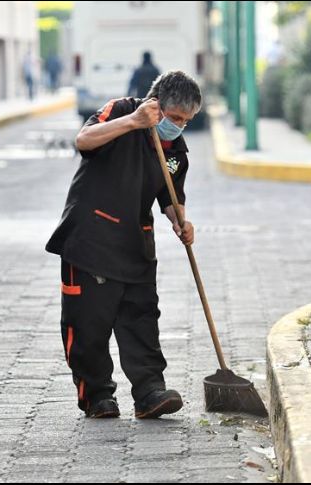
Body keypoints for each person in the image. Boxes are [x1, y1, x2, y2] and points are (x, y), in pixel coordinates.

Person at [45, 71, 200, 419]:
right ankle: (97, 395)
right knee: (88, 324)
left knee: (142, 318)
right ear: (156, 105)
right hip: (91, 239)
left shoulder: (175, 150)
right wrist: (133, 122)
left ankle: (149, 392)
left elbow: (171, 198)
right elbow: (84, 140)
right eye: (175, 118)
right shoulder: (120, 111)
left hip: (135, 243)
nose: (179, 127)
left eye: (187, 122)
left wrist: (180, 222)